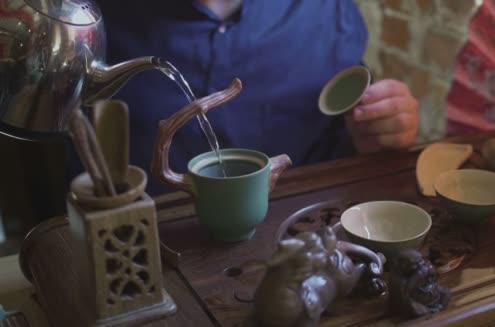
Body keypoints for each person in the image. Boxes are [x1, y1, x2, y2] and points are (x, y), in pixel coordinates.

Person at [96, 0, 419, 194]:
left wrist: (376, 131)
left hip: (300, 241)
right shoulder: (88, 18)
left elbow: (341, 132)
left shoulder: (325, 10)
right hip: (139, 243)